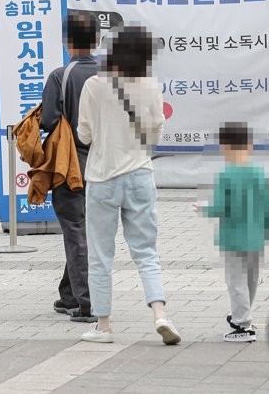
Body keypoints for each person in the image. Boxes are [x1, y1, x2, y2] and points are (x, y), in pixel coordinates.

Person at [76, 25, 181, 346]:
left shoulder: (94, 85)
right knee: (146, 252)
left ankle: (104, 326)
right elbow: (156, 136)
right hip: (139, 175)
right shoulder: (151, 85)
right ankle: (160, 314)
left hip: (102, 176)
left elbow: (84, 135)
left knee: (100, 255)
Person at [41, 12, 100, 323]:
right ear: (98, 39)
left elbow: (48, 120)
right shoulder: (111, 74)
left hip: (71, 164)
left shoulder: (59, 76)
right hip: (108, 165)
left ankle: (85, 302)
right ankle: (69, 295)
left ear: (67, 41)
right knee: (87, 229)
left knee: (75, 230)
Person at [195, 122, 269, 343]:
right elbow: (268, 206)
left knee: (235, 281)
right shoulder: (259, 174)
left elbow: (222, 208)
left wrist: (204, 208)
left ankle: (243, 324)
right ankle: (243, 315)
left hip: (233, 238)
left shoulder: (226, 175)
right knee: (251, 279)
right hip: (256, 237)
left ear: (224, 147)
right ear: (249, 146)